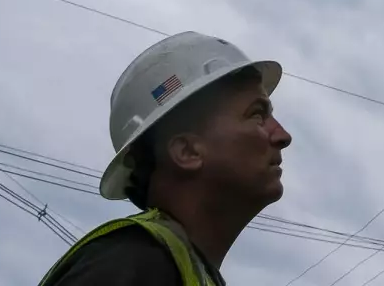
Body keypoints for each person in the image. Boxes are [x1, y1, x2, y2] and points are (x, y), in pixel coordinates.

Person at [35, 32, 291, 286]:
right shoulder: (132, 263)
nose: (283, 135)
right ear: (188, 152)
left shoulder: (167, 268)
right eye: (257, 115)